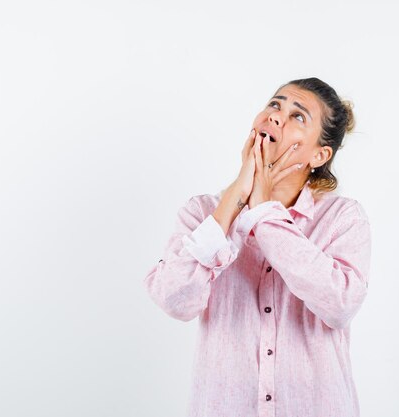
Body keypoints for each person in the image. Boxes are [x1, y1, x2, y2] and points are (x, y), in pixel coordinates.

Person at [143, 77, 371, 417]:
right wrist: (236, 198)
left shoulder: (342, 218)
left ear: (319, 154)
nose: (277, 116)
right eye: (275, 105)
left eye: (298, 116)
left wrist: (264, 213)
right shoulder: (202, 213)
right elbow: (173, 299)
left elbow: (339, 304)